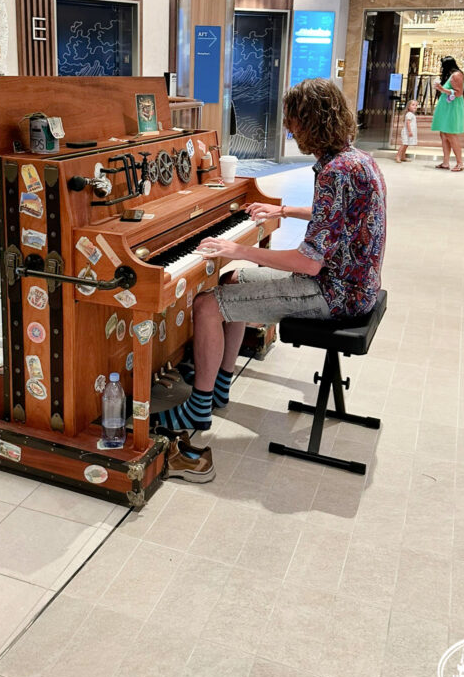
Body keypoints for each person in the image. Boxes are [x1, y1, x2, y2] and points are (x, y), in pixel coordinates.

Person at [149, 78, 387, 432]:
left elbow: (308, 262)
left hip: (334, 293)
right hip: (356, 285)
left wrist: (237, 248)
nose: (289, 130)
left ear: (309, 122)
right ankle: (220, 384)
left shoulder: (336, 172)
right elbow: (338, 218)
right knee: (231, 279)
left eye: (292, 120)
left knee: (206, 305)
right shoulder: (356, 159)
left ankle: (198, 407)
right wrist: (285, 211)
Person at [430, 55, 464, 171]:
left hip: (452, 108)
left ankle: (460, 163)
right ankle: (446, 162)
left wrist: (442, 89)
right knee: (444, 135)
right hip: (446, 107)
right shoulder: (451, 75)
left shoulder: (457, 75)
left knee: (450, 134)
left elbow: (459, 93)